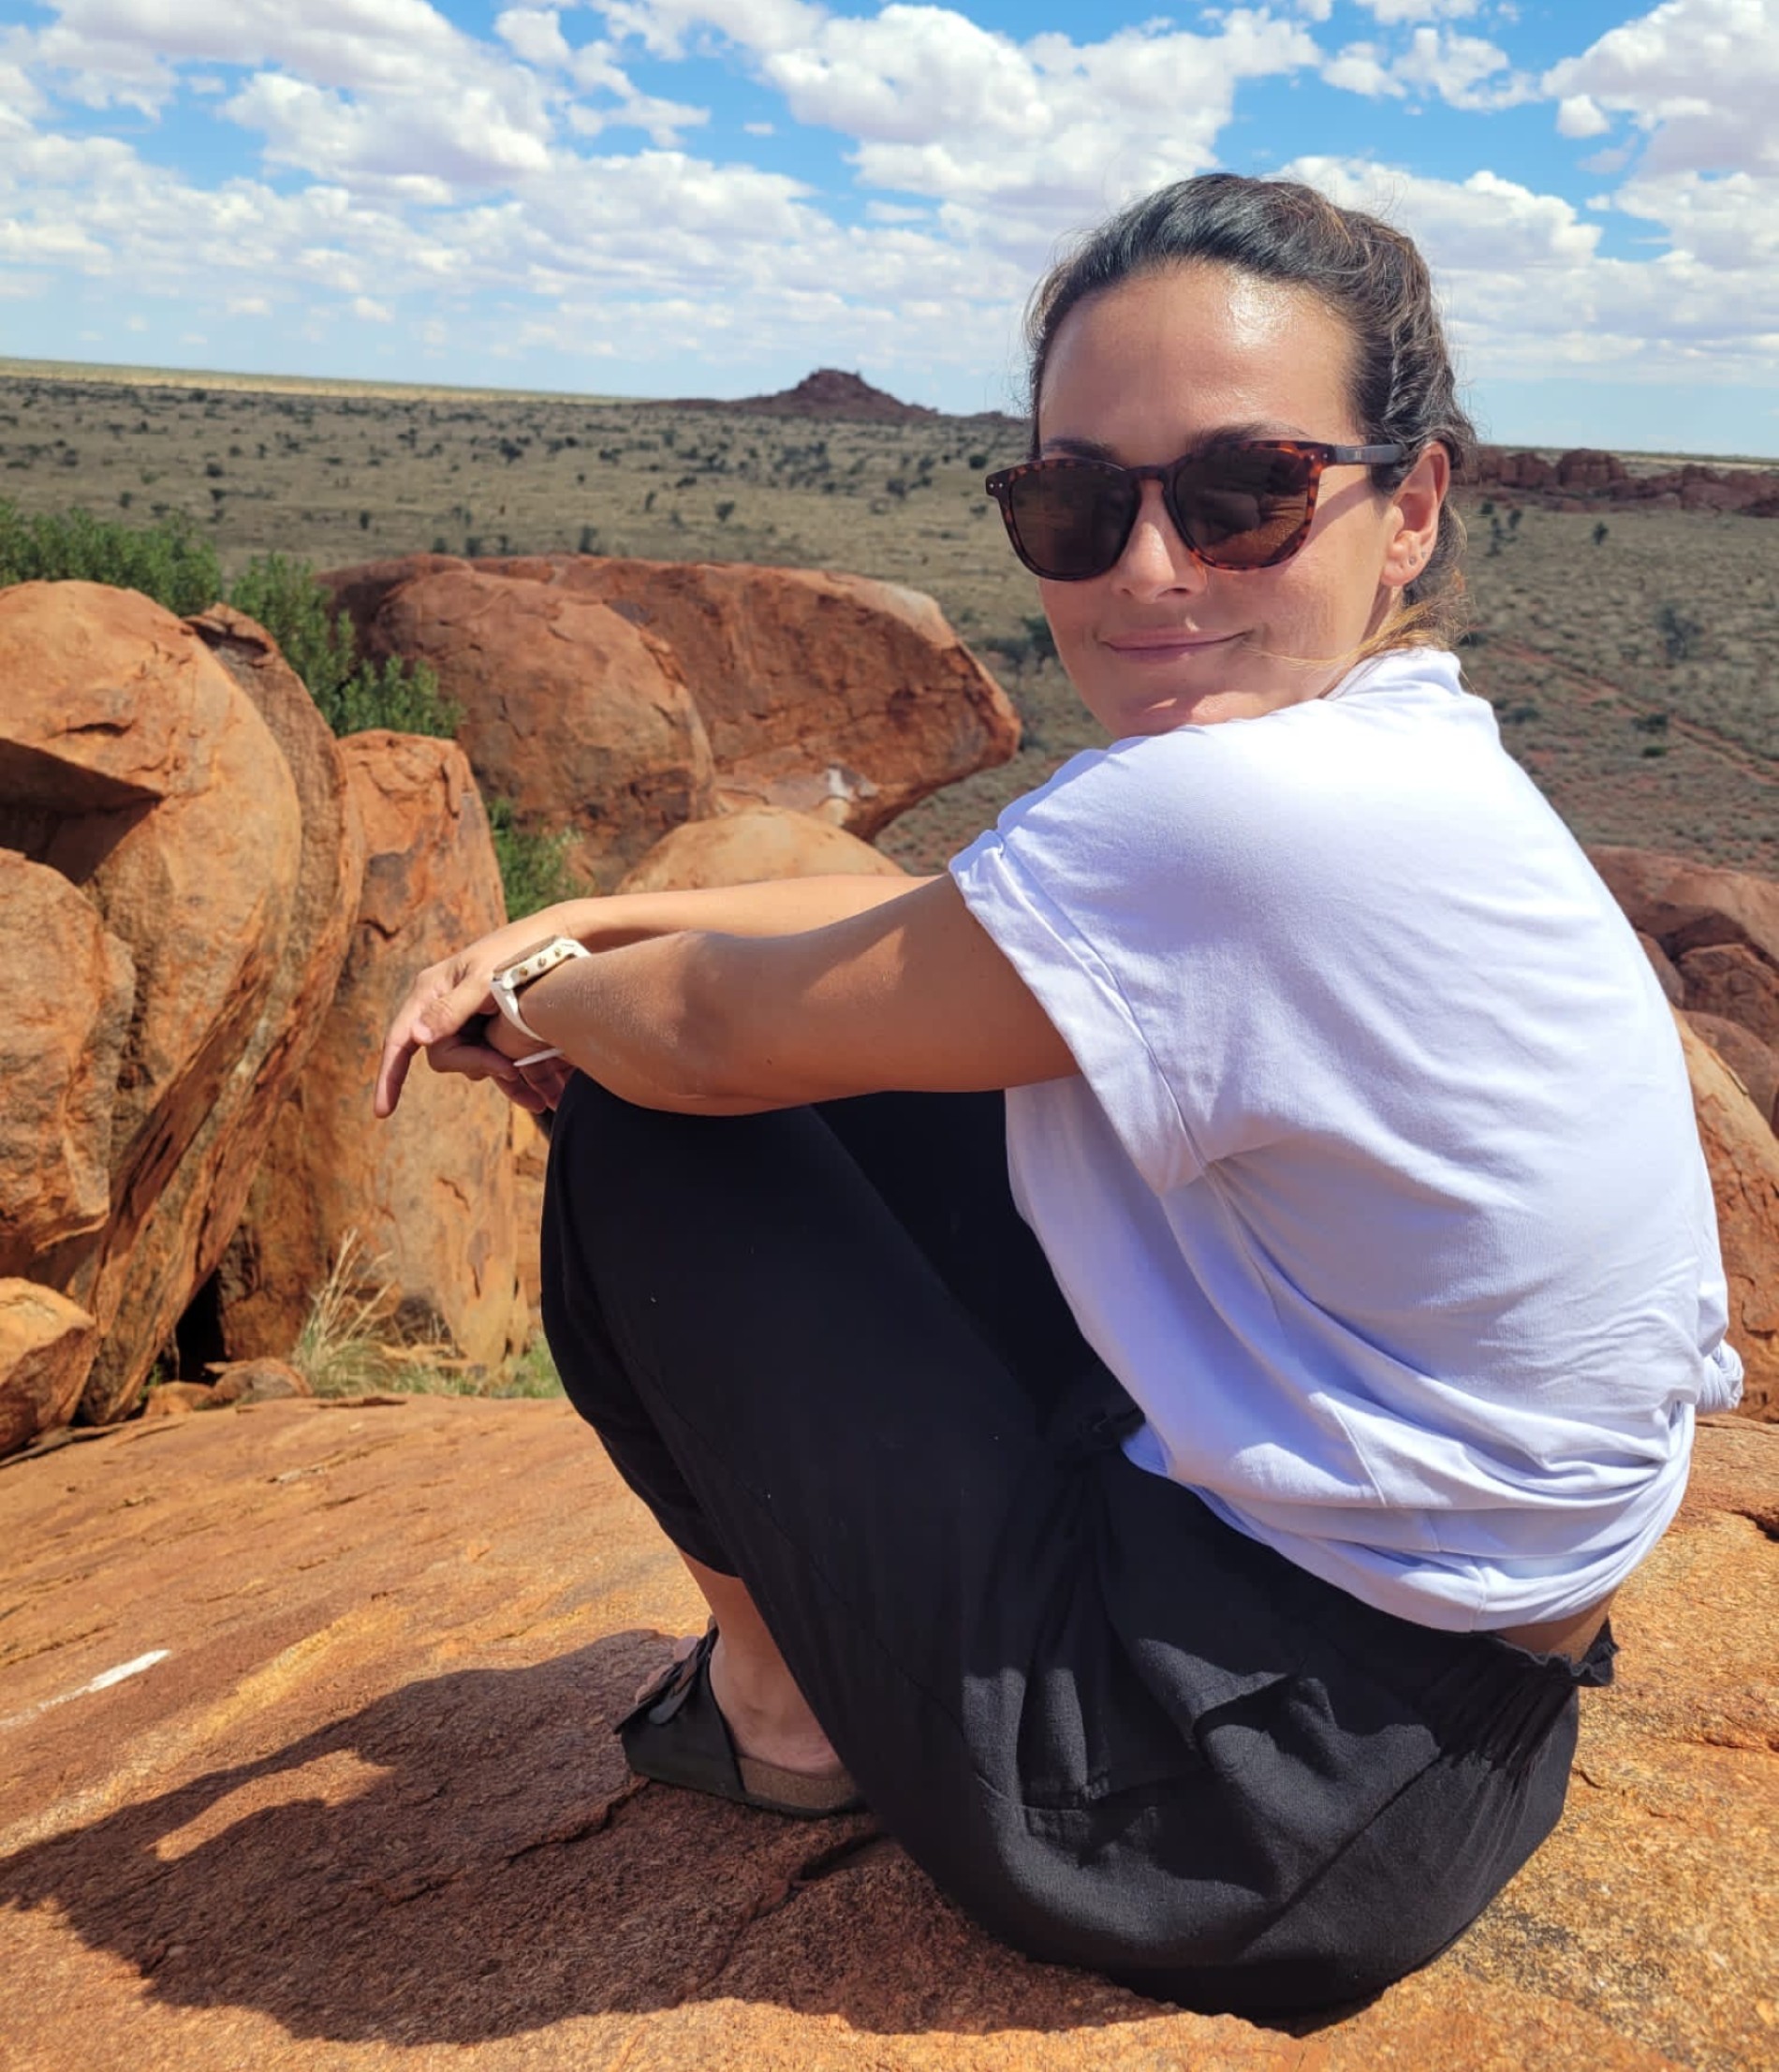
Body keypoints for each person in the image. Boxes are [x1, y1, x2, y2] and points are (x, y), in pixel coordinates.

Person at [375, 174, 1742, 2015]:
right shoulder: (1398, 745)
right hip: (1465, 1709)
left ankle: (784, 1718)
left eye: (1243, 493)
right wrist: (598, 918)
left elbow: (700, 1037)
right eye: (1077, 507)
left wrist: (542, 999)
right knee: (932, 1088)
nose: (1149, 571)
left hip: (1239, 1804)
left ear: (1406, 506)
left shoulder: (1229, 815)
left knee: (651, 1129)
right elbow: (930, 924)